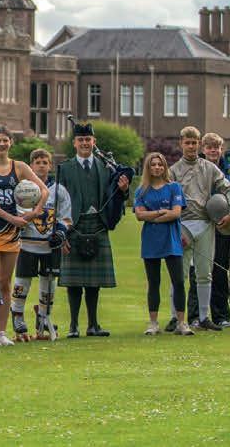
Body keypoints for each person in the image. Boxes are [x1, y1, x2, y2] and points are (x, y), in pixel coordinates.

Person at [56, 121, 129, 338]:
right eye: (81, 140)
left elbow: (115, 196)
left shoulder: (105, 168)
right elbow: (57, 202)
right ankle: (73, 326)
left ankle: (93, 325)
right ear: (74, 143)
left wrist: (123, 190)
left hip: (98, 225)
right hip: (73, 226)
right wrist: (61, 234)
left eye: (88, 140)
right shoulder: (64, 168)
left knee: (93, 283)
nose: (85, 143)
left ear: (94, 142)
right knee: (74, 283)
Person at [0, 127, 48, 347]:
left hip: (12, 233)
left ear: (11, 142)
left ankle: (1, 332)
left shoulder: (20, 167)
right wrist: (12, 218)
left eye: (5, 140)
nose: (1, 144)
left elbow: (44, 191)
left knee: (5, 283)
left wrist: (34, 212)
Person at [168, 126, 230, 332]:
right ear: (181, 144)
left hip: (205, 225)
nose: (191, 146)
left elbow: (229, 189)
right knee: (179, 275)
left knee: (205, 274)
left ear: (199, 144)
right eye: (187, 143)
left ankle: (204, 317)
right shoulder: (173, 171)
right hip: (182, 225)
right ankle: (175, 317)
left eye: (194, 143)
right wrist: (173, 226)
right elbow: (167, 199)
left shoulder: (210, 168)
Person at [11, 149, 72, 342]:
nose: (41, 165)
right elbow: (16, 214)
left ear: (50, 165)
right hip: (27, 244)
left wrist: (60, 233)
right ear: (31, 165)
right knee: (22, 281)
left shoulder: (59, 190)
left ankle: (44, 317)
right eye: (37, 162)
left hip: (49, 246)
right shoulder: (23, 188)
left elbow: (65, 217)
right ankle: (17, 315)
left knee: (49, 283)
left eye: (45, 162)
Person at [133, 152, 192, 336]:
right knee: (154, 282)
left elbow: (176, 213)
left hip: (172, 240)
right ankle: (153, 323)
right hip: (151, 241)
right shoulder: (141, 191)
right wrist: (160, 213)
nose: (157, 167)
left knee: (178, 281)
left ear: (165, 167)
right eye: (153, 164)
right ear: (148, 168)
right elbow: (139, 215)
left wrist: (152, 215)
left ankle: (181, 323)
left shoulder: (174, 187)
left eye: (160, 164)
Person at [200, 133, 230, 327]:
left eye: (217, 147)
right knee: (200, 272)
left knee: (220, 272)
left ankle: (220, 316)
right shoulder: (197, 168)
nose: (213, 150)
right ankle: (197, 316)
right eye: (209, 147)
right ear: (203, 149)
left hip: (225, 226)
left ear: (221, 150)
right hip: (202, 226)